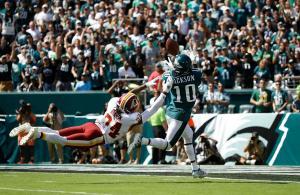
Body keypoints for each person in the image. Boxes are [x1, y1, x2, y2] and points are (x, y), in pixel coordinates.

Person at [9, 77, 167, 151]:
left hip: (91, 125)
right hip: (97, 136)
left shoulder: (113, 102)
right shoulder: (130, 118)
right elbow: (152, 109)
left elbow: (129, 94)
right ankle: (36, 134)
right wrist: (164, 93)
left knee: (57, 133)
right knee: (63, 141)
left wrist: (145, 85)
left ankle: (34, 130)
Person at [128, 54, 207, 178]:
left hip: (171, 110)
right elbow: (195, 71)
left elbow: (165, 85)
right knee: (168, 144)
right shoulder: (196, 74)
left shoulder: (168, 76)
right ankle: (142, 140)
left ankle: (195, 169)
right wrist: (194, 62)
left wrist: (171, 71)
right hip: (181, 113)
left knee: (188, 135)